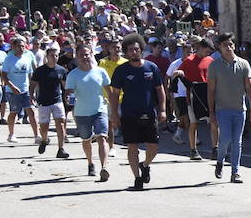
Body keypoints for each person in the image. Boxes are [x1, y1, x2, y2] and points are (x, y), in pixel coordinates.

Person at [108, 35, 167, 191]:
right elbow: (114, 94)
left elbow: (160, 90)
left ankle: (145, 165)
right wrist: (114, 114)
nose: (134, 52)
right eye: (130, 50)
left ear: (141, 50)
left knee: (153, 147)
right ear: (126, 53)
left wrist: (162, 109)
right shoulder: (121, 70)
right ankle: (137, 178)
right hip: (129, 114)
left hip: (149, 113)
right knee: (132, 147)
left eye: (136, 49)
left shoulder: (151, 68)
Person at [205, 33, 251, 184]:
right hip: (223, 109)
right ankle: (220, 161)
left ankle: (235, 172)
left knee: (237, 141)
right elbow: (211, 91)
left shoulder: (243, 64)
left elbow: (249, 88)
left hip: (240, 109)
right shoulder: (214, 66)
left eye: (231, 44)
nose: (228, 47)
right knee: (225, 139)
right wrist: (211, 112)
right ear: (219, 48)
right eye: (224, 45)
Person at [67, 44, 112, 180]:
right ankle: (90, 162)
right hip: (81, 112)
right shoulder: (73, 75)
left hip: (100, 110)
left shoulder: (101, 71)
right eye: (81, 55)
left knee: (102, 137)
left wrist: (112, 106)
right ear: (77, 57)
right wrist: (70, 96)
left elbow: (109, 90)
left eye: (87, 54)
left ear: (92, 54)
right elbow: (68, 94)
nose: (85, 57)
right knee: (86, 140)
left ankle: (104, 168)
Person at [177, 38, 215, 160]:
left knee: (213, 122)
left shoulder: (210, 60)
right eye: (207, 51)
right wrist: (179, 74)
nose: (208, 54)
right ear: (201, 48)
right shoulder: (189, 60)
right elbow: (179, 72)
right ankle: (193, 150)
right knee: (194, 123)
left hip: (208, 95)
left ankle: (216, 148)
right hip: (193, 96)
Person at [31, 46, 70, 158]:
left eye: (56, 55)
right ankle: (44, 140)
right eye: (52, 55)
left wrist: (67, 95)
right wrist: (31, 95)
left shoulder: (61, 70)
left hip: (57, 101)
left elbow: (65, 86)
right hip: (43, 102)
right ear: (47, 57)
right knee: (44, 126)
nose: (54, 58)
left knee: (61, 123)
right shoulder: (40, 70)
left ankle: (61, 149)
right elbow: (33, 83)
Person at [2, 36, 39, 143]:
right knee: (14, 112)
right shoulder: (9, 59)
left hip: (25, 90)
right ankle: (11, 134)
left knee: (31, 111)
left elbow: (30, 75)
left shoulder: (27, 59)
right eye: (19, 46)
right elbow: (4, 75)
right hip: (12, 91)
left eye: (23, 46)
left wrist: (32, 90)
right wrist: (12, 86)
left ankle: (36, 136)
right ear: (13, 47)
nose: (21, 48)